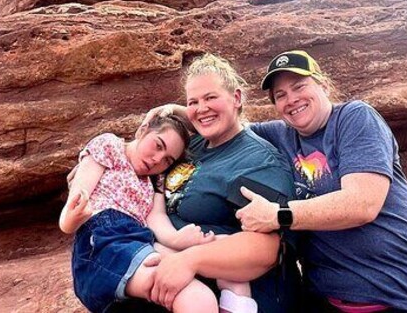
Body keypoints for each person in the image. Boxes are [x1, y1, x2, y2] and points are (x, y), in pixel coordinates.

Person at [239, 50, 407, 312]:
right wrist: (176, 110)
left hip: (396, 298)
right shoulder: (280, 135)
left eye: (299, 86)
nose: (291, 100)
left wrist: (278, 215)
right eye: (280, 95)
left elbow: (362, 204)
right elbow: (225, 125)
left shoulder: (355, 118)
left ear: (323, 84)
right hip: (324, 299)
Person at [129, 54, 300, 313]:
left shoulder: (256, 162)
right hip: (172, 288)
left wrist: (190, 260)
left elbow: (267, 250)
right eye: (193, 102)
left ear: (237, 98)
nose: (201, 108)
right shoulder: (192, 145)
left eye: (211, 98)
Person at [61, 114, 248, 313]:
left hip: (141, 240)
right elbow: (78, 198)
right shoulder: (111, 146)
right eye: (158, 145)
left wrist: (178, 239)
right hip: (104, 243)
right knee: (197, 298)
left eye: (167, 160)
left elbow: (156, 218)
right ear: (143, 130)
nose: (158, 159)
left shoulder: (155, 180)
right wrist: (70, 219)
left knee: (227, 257)